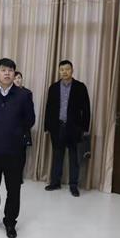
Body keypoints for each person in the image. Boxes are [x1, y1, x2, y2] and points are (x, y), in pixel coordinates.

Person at [0, 58, 35, 238]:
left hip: (14, 151)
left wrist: (13, 131)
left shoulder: (24, 95)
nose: (7, 73)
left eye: (10, 70)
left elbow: (30, 120)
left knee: (13, 189)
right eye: (3, 70)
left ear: (14, 73)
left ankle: (10, 222)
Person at [44, 60, 90, 197]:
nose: (65, 72)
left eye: (67, 69)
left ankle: (73, 185)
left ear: (72, 70)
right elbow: (49, 108)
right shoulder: (53, 87)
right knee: (57, 155)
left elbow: (86, 109)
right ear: (59, 71)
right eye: (62, 69)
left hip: (74, 128)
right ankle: (55, 182)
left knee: (74, 157)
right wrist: (47, 126)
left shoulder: (80, 87)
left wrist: (84, 128)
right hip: (57, 127)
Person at [13, 71, 34, 184]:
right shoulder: (7, 92)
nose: (17, 80)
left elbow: (30, 113)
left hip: (22, 128)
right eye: (15, 78)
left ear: (22, 79)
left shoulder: (27, 93)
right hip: (9, 129)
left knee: (21, 153)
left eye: (19, 78)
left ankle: (19, 175)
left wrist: (25, 126)